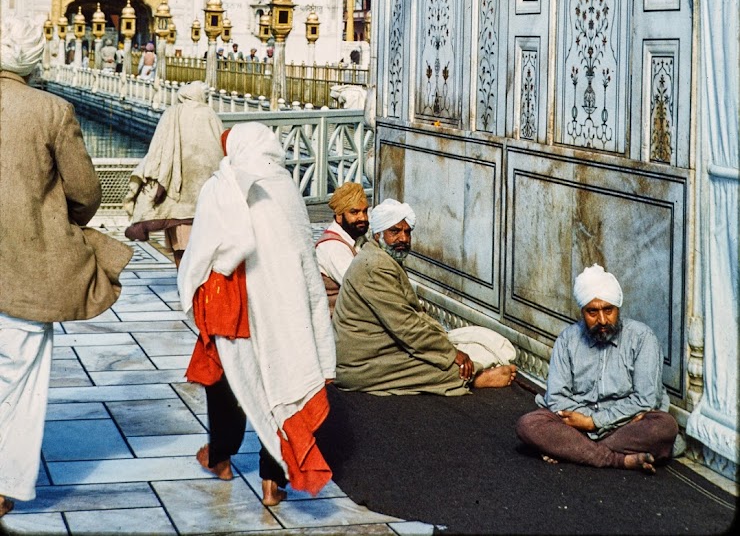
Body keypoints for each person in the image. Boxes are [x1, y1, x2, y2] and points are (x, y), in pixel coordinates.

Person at [0, 15, 132, 518]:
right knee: (18, 379)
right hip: (26, 270)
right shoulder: (52, 110)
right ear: (34, 59)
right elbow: (85, 192)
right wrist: (55, 217)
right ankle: (4, 483)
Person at [178, 123, 335, 506]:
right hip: (283, 299)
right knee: (278, 377)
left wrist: (192, 285)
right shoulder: (284, 184)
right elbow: (301, 249)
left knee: (230, 375)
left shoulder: (223, 183)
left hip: (237, 299)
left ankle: (221, 457)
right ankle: (272, 481)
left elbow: (204, 248)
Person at [333, 198, 516, 395]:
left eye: (407, 232)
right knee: (449, 368)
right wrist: (451, 353)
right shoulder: (376, 266)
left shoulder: (382, 258)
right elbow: (406, 326)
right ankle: (477, 378)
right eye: (394, 231)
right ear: (378, 235)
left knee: (439, 354)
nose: (403, 238)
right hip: (361, 363)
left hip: (377, 349)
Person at [515, 264, 678, 472]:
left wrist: (593, 423)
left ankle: (573, 451)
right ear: (583, 312)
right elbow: (557, 397)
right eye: (593, 312)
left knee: (664, 426)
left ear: (618, 308)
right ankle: (620, 460)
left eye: (608, 310)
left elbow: (645, 400)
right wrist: (581, 421)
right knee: (528, 424)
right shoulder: (568, 340)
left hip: (622, 425)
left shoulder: (642, 338)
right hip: (576, 424)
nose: (602, 320)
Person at [124, 81, 223, 266]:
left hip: (177, 194)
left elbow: (158, 149)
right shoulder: (210, 114)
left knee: (182, 245)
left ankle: (183, 282)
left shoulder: (172, 113)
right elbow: (219, 149)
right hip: (205, 190)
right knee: (204, 245)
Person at [315, 182, 369, 313]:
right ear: (339, 216)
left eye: (365, 211)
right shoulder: (333, 247)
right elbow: (363, 291)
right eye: (354, 212)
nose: (362, 217)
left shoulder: (357, 238)